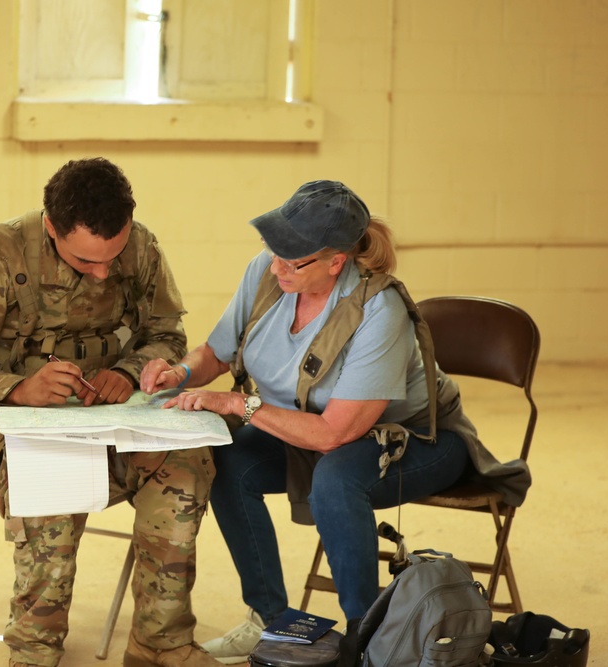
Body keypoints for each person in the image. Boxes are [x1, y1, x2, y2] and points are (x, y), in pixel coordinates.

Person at [140, 180, 531, 664]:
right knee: (227, 461)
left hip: (420, 440)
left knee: (337, 479)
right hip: (307, 426)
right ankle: (270, 621)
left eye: (294, 260)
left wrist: (238, 406)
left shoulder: (378, 310)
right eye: (274, 250)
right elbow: (217, 351)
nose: (277, 265)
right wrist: (177, 373)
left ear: (336, 261)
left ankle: (363, 640)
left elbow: (335, 435)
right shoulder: (268, 271)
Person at [0, 157, 221, 667]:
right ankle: (35, 649)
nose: (103, 272)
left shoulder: (142, 246)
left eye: (113, 256)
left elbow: (167, 337)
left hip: (114, 418)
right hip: (11, 429)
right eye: (85, 263)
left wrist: (128, 372)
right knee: (54, 480)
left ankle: (160, 642)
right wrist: (15, 389)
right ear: (51, 227)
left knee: (186, 465)